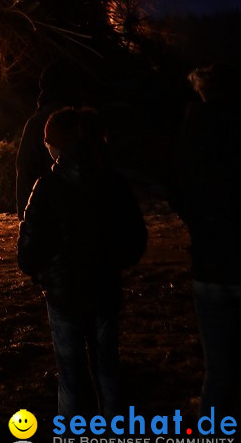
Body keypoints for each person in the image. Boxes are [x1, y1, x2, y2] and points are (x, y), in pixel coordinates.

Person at [18, 107, 147, 418]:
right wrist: (112, 265)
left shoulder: (47, 186)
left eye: (48, 140)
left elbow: (28, 248)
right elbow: (136, 238)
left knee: (72, 379)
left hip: (64, 296)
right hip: (105, 290)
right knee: (108, 371)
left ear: (59, 144)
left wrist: (43, 274)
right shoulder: (114, 182)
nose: (45, 146)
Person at [169, 63, 241, 418]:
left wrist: (197, 224)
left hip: (208, 264)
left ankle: (214, 435)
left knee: (218, 370)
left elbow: (178, 190)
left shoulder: (191, 130)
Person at [15, 60, 88, 219]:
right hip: (84, 214)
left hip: (48, 212)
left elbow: (25, 169)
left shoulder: (38, 122)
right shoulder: (86, 119)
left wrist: (25, 216)